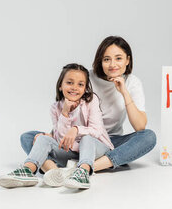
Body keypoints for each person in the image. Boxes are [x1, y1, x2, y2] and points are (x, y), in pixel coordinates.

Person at [20, 36, 156, 173]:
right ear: (100, 61)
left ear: (128, 60)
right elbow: (66, 107)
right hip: (77, 140)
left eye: (118, 58)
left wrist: (124, 92)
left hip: (110, 142)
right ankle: (53, 170)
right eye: (106, 59)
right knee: (29, 137)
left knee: (148, 136)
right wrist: (53, 135)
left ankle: (81, 167)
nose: (112, 64)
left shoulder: (133, 83)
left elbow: (140, 126)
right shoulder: (85, 79)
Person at [0, 63, 113, 190]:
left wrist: (76, 130)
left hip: (96, 150)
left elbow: (97, 130)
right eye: (70, 82)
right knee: (40, 138)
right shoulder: (55, 107)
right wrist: (64, 113)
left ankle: (83, 172)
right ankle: (28, 170)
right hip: (72, 152)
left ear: (85, 88)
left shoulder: (91, 101)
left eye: (80, 84)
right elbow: (61, 140)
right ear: (60, 86)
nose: (75, 88)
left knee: (87, 137)